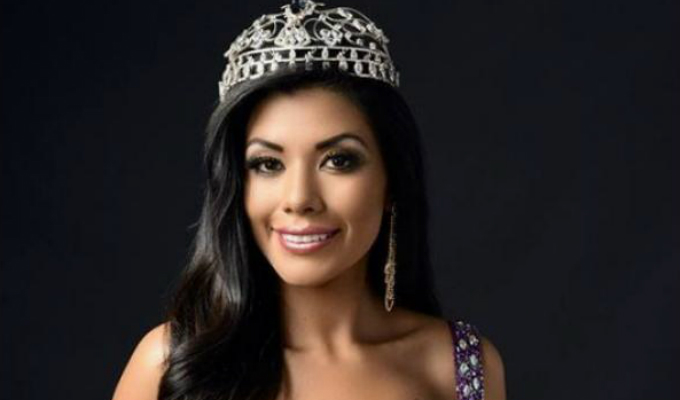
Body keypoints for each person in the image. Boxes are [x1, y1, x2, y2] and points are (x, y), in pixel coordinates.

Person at [112, 1, 506, 399]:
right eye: (268, 164)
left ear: (392, 182)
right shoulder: (171, 364)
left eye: (338, 160)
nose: (299, 198)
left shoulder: (457, 365)